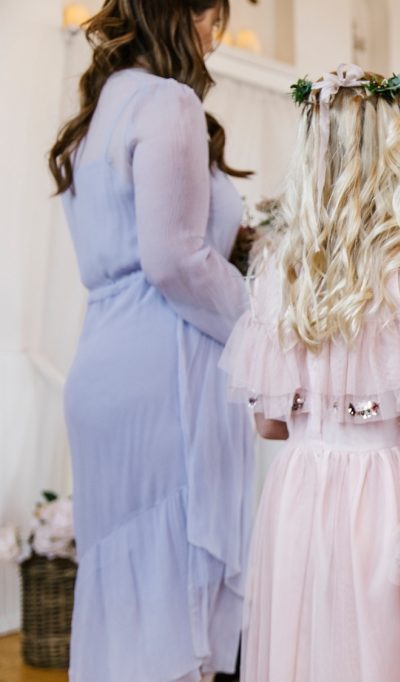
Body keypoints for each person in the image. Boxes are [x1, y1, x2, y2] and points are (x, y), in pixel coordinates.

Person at [48, 1, 254, 679]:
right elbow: (173, 260)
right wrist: (258, 325)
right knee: (171, 600)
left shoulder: (103, 107)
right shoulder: (168, 102)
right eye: (210, 18)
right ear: (181, 15)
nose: (213, 39)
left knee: (126, 598)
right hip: (165, 368)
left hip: (104, 362)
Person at [219, 63, 400, 681]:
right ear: (395, 151)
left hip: (298, 490)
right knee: (378, 653)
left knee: (305, 648)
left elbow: (269, 426)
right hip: (387, 492)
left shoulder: (275, 271)